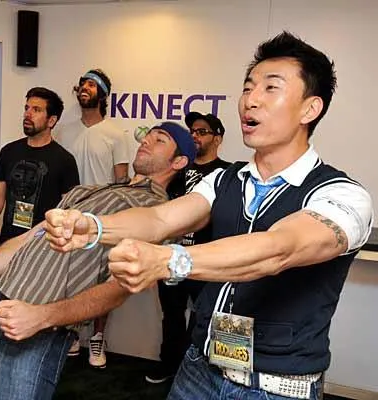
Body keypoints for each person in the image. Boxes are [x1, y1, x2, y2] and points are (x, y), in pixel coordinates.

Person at [44, 32, 373, 400]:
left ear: (310, 109)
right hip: (201, 369)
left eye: (271, 88)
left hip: (275, 386)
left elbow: (278, 249)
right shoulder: (224, 179)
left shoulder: (342, 194)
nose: (251, 100)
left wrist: (169, 260)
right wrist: (93, 226)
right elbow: (160, 219)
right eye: (248, 88)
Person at [0, 121, 196, 400]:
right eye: (149, 135)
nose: (147, 140)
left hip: (38, 325)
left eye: (160, 139)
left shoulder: (157, 213)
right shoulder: (100, 189)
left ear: (179, 161)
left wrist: (40, 317)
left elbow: (117, 290)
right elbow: (28, 240)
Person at [0, 87, 79, 388]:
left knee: (25, 321)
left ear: (52, 120)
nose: (28, 114)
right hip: (6, 249)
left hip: (43, 254)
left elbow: (69, 209)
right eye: (26, 108)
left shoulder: (64, 160)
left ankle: (17, 377)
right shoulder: (9, 152)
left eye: (36, 110)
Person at [146, 112, 231, 384]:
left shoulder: (228, 174)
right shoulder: (177, 169)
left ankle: (194, 370)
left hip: (206, 260)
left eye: (202, 131)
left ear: (217, 139)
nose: (195, 135)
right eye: (192, 131)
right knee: (171, 314)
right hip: (171, 256)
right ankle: (169, 363)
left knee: (203, 316)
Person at [55, 68, 131, 367]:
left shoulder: (116, 134)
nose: (85, 88)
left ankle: (97, 338)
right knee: (69, 278)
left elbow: (122, 181)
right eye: (82, 83)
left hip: (103, 221)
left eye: (92, 84)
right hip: (68, 217)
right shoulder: (63, 130)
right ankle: (73, 332)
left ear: (103, 95)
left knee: (101, 281)